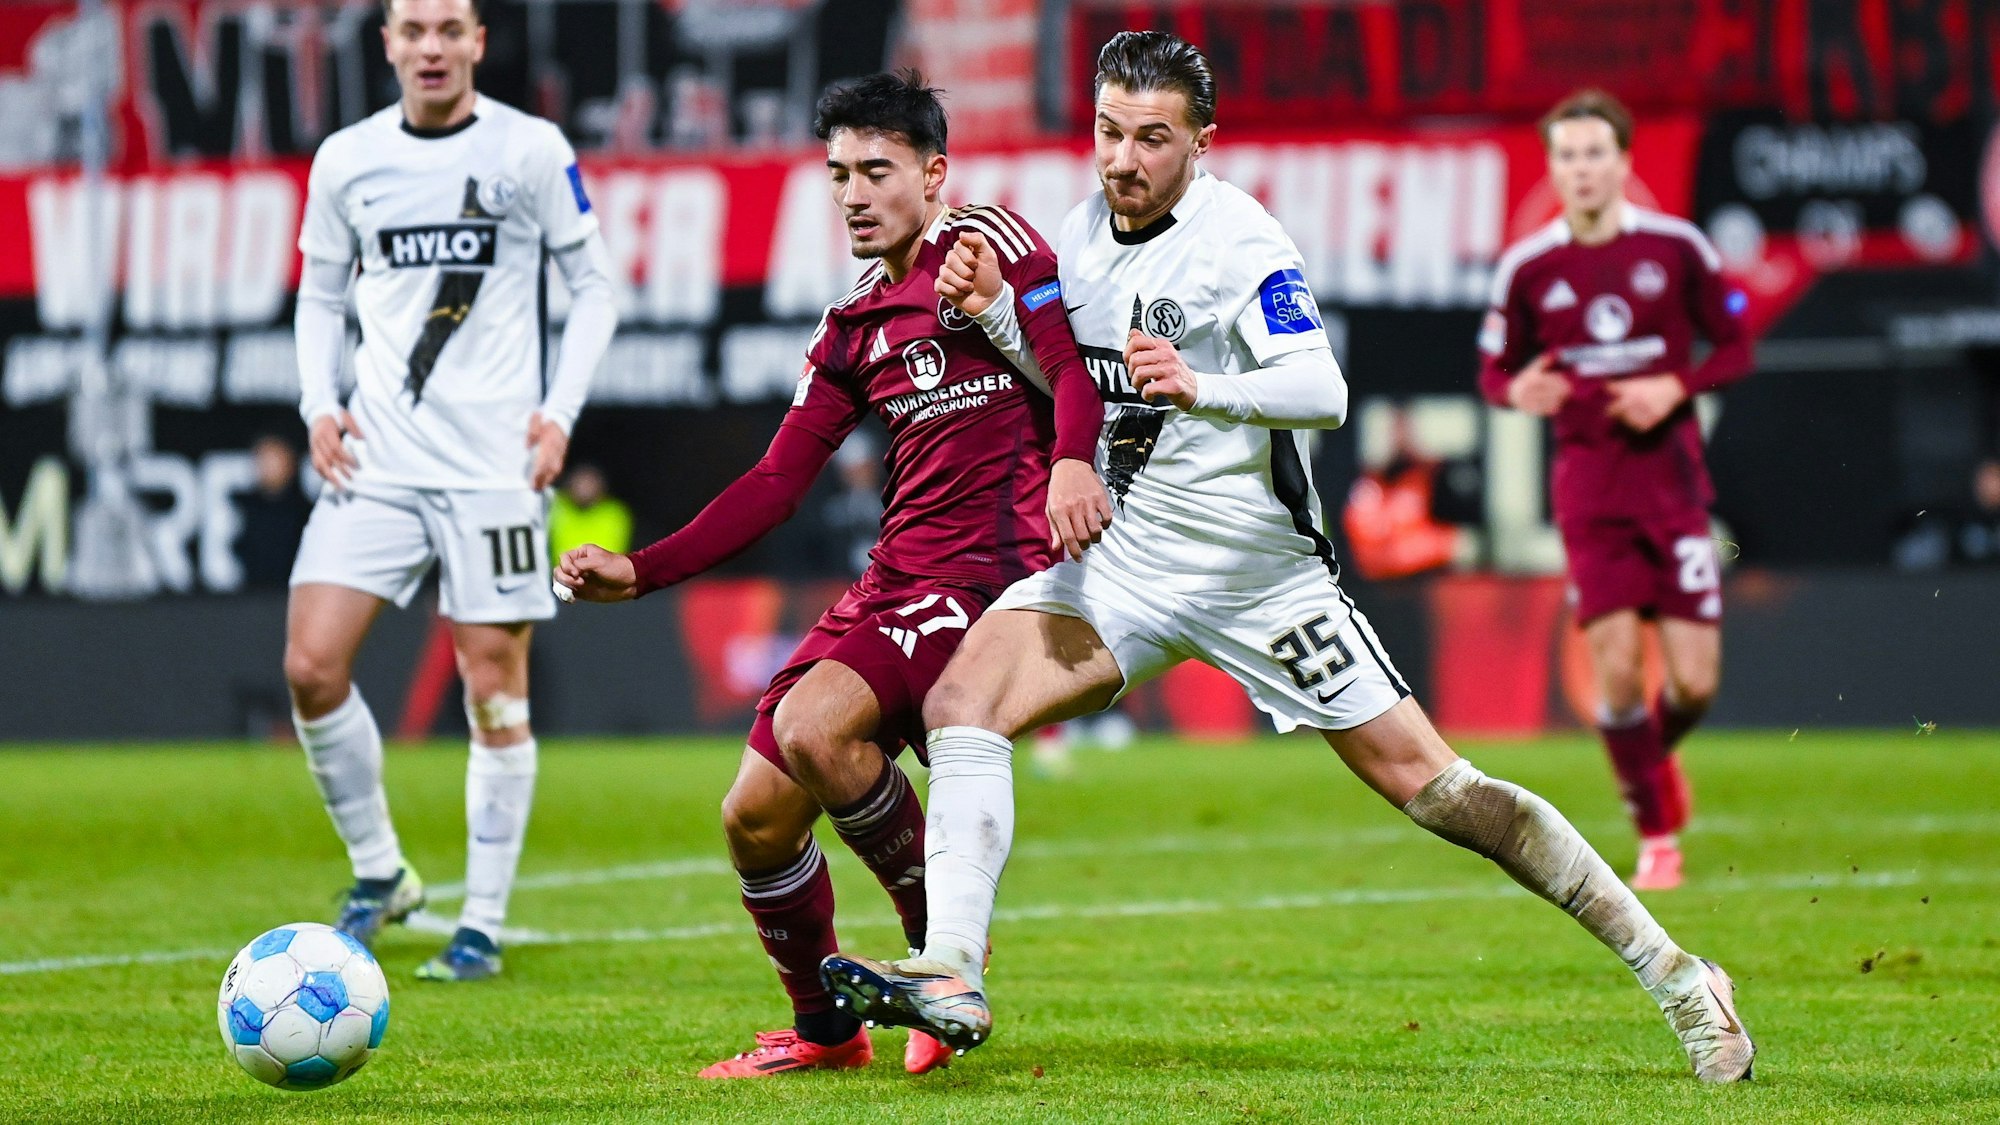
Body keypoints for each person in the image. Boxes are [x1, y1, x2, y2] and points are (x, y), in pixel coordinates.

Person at [817, 33, 1754, 1085]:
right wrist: (991, 313)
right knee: (959, 706)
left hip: (1258, 577)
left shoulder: (1240, 241)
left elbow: (1322, 389)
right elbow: (1070, 381)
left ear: (1200, 144)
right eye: (1107, 134)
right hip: (1125, 565)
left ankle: (1678, 975)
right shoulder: (1075, 237)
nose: (1121, 160)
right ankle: (950, 968)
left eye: (1150, 139)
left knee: (1439, 792)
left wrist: (1202, 386)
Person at [554, 71, 1108, 1078]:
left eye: (876, 171)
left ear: (933, 174)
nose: (853, 192)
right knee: (753, 820)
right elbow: (774, 483)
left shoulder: (992, 245)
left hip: (985, 579)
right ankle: (826, 1032)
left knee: (816, 728)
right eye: (837, 173)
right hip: (894, 580)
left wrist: (1071, 460)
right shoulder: (850, 323)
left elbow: (1068, 366)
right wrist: (639, 571)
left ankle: (942, 956)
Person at [283, 0, 618, 982]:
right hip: (375, 458)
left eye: (448, 29)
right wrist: (318, 403)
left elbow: (594, 289)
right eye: (412, 29)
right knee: (310, 667)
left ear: (477, 41)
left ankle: (479, 922)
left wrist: (558, 412)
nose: (430, 47)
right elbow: (319, 293)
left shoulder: (529, 150)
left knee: (492, 692)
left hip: (492, 468)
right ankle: (380, 870)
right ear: (386, 43)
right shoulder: (345, 160)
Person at [1476, 90, 1752, 891]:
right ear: (1554, 168)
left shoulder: (1676, 248)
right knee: (1621, 676)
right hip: (1589, 497)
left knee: (1696, 683)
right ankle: (1656, 832)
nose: (1582, 168)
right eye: (1567, 155)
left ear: (1625, 162)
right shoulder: (1529, 267)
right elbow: (1495, 369)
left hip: (1673, 491)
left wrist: (1676, 386)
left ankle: (1651, 765)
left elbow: (1733, 344)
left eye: (1596, 153)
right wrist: (1514, 388)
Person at [235, 435, 313, 589]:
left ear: (290, 462)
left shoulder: (305, 511)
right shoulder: (247, 507)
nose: (267, 467)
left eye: (273, 459)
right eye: (262, 459)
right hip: (254, 599)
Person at [548, 463, 633, 562]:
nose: (584, 488)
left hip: (599, 575)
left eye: (590, 483)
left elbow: (611, 551)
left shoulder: (615, 513)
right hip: (559, 573)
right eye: (580, 482)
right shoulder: (557, 507)